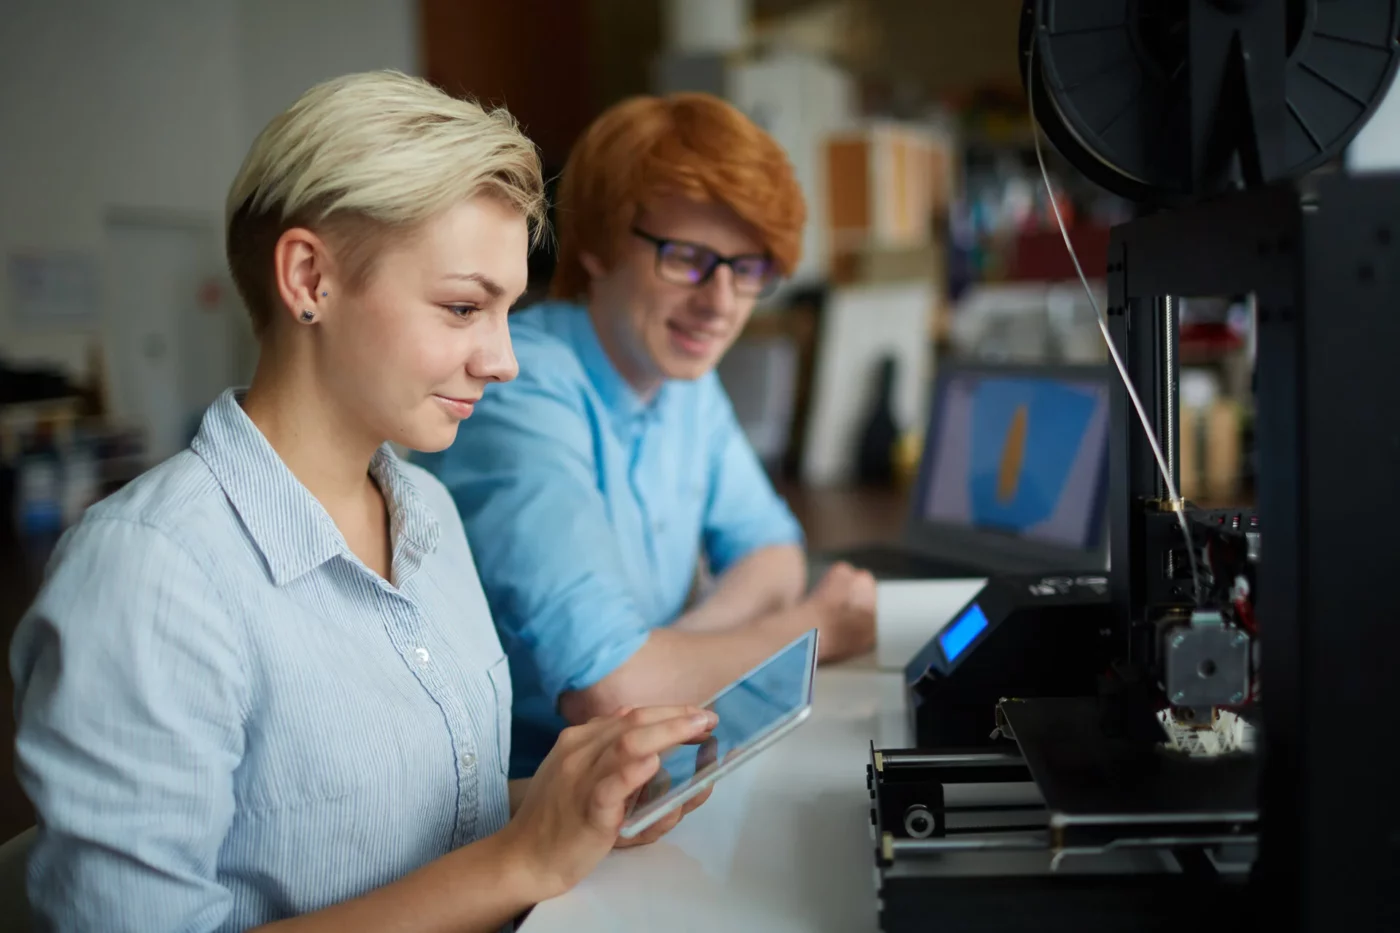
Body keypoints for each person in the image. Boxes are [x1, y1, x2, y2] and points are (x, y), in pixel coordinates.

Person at [9, 71, 716, 933]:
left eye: (507, 313)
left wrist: (572, 804)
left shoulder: (426, 511)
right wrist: (519, 860)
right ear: (309, 277)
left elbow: (397, 818)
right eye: (463, 307)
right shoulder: (149, 577)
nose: (504, 360)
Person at [415, 93, 876, 779]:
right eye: (687, 257)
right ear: (598, 247)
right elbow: (616, 694)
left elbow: (774, 556)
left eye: (747, 268)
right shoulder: (520, 387)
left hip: (650, 779)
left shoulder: (680, 376)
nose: (720, 304)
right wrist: (815, 630)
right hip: (526, 814)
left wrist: (668, 655)